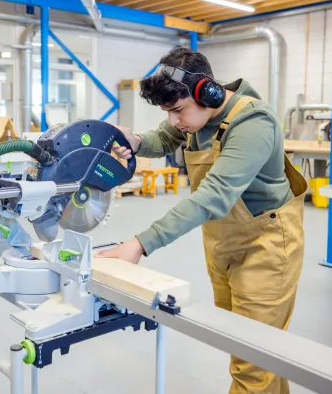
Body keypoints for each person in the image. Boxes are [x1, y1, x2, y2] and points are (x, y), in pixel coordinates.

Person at [97, 48, 307, 394]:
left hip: (266, 248)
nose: (175, 121)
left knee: (250, 367)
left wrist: (139, 243)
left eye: (178, 110)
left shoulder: (254, 122)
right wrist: (135, 141)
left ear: (206, 91)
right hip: (223, 245)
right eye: (168, 112)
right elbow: (164, 138)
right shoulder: (197, 116)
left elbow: (213, 196)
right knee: (254, 351)